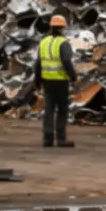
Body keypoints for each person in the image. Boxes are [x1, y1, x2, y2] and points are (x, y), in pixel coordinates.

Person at [34, 13, 78, 148]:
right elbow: (66, 61)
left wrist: (37, 79)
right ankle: (61, 139)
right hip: (60, 81)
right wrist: (73, 76)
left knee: (49, 110)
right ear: (61, 28)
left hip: (47, 80)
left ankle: (47, 139)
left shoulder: (44, 42)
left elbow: (38, 63)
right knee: (62, 110)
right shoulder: (63, 43)